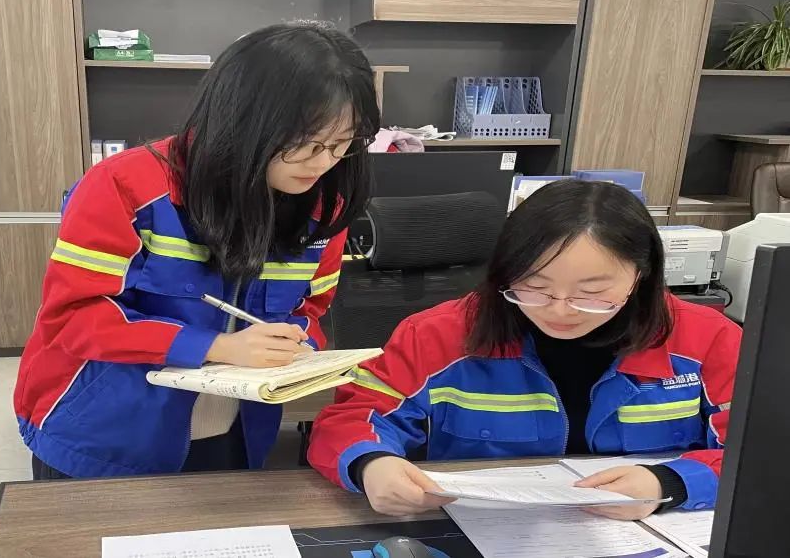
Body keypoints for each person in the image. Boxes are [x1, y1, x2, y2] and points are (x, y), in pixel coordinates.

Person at [14, 23, 380, 479]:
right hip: (103, 435)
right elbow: (73, 316)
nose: (323, 162)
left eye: (341, 144)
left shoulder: (323, 208)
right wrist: (217, 346)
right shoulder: (125, 187)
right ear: (243, 118)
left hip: (235, 430)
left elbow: (310, 306)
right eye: (305, 143)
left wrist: (295, 338)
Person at [308, 180, 741, 520]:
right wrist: (371, 464)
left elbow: (759, 452)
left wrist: (670, 483)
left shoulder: (707, 339)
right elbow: (351, 418)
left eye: (592, 292)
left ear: (641, 275)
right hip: (484, 529)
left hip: (650, 533)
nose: (560, 310)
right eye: (534, 287)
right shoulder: (437, 334)